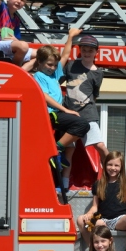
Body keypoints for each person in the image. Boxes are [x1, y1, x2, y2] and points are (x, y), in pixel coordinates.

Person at [33, 27, 90, 169]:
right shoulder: (39, 76)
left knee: (82, 125)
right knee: (81, 124)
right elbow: (44, 96)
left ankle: (57, 148)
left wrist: (70, 36)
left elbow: (64, 56)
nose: (52, 68)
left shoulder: (54, 75)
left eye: (54, 65)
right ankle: (56, 149)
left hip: (56, 113)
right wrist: (65, 110)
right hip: (50, 113)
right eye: (48, 64)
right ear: (39, 62)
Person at [61, 34, 108, 189]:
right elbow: (59, 82)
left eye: (90, 50)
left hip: (88, 114)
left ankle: (112, 177)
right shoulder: (71, 65)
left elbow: (94, 94)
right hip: (69, 114)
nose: (87, 52)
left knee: (100, 146)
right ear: (80, 50)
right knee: (69, 149)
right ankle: (65, 184)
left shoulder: (98, 73)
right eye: (84, 49)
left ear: (96, 52)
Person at [77, 151, 126, 251]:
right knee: (80, 220)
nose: (113, 168)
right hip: (102, 219)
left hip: (119, 220)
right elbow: (95, 206)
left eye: (116, 165)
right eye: (110, 164)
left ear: (121, 167)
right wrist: (89, 214)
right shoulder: (98, 184)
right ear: (105, 165)